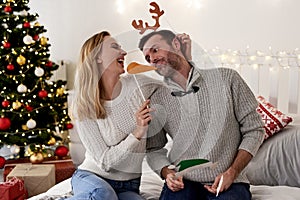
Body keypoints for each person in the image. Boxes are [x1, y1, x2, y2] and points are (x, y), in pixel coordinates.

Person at [138, 30, 265, 200]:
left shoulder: (228, 79)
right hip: (183, 182)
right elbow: (154, 148)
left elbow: (254, 130)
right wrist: (167, 173)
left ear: (176, 44)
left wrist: (232, 172)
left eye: (155, 50)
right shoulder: (157, 98)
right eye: (147, 58)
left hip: (230, 181)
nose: (152, 59)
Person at [67, 31, 164, 200]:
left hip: (129, 185)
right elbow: (105, 163)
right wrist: (138, 132)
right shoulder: (84, 104)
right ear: (97, 57)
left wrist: (180, 56)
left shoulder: (139, 84)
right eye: (115, 47)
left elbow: (178, 87)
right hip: (93, 177)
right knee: (103, 195)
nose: (124, 52)